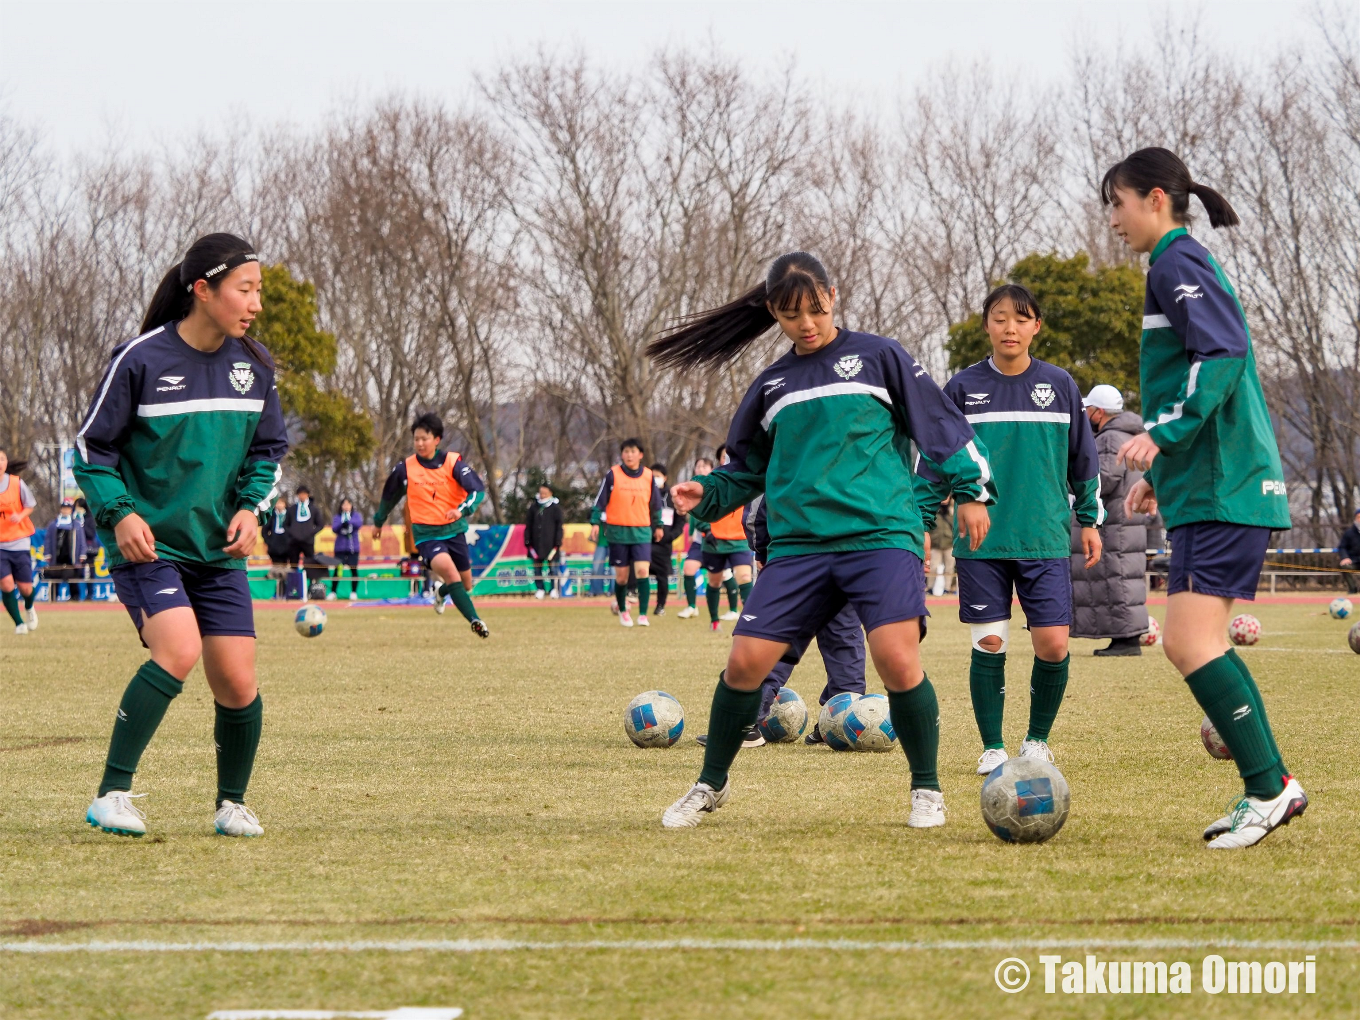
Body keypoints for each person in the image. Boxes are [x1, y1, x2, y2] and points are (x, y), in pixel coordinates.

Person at [649, 250, 994, 830]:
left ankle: (926, 789)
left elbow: (940, 423)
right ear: (774, 316)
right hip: (800, 547)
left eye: (813, 309)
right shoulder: (772, 385)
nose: (805, 323)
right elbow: (746, 469)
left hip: (880, 535)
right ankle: (711, 784)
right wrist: (706, 496)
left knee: (895, 658)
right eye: (789, 315)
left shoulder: (881, 357)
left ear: (832, 296)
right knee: (743, 663)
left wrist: (973, 490)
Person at [1104, 146, 1304, 848]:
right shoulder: (1176, 264)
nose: (1113, 220)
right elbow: (1200, 367)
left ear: (1155, 199)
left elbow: (1220, 353)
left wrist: (1163, 436)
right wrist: (1164, 474)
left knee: (1188, 642)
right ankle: (1270, 784)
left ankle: (1270, 787)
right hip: (1213, 486)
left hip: (1226, 488)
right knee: (1199, 641)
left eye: (1118, 204)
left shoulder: (1175, 261)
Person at [76, 232, 286, 839]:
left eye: (259, 291)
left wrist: (250, 509)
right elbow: (92, 450)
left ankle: (231, 805)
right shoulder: (139, 359)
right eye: (245, 290)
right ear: (203, 290)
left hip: (216, 551)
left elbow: (268, 451)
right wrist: (121, 513)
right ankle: (111, 794)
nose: (255, 304)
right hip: (149, 546)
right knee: (178, 650)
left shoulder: (256, 367)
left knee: (239, 680)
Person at [920, 284, 1103, 775]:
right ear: (987, 325)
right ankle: (993, 746)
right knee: (990, 643)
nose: (1010, 328)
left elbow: (1082, 459)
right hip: (982, 542)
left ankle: (1038, 739)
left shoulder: (1061, 385)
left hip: (1043, 536)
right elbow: (936, 462)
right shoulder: (961, 387)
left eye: (1021, 319)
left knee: (1054, 644)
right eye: (1000, 318)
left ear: (1036, 326)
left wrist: (1088, 519)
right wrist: (916, 525)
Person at [695, 495, 868, 749]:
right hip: (851, 549)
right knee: (843, 638)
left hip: (796, 554)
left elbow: (757, 502)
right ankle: (841, 723)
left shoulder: (782, 453)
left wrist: (762, 549)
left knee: (773, 636)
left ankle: (744, 724)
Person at [374, 412, 489, 638]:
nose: (419, 443)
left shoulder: (452, 462)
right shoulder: (405, 468)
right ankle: (475, 620)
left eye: (424, 438)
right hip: (427, 535)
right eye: (416, 439)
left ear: (437, 439)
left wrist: (462, 510)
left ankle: (440, 593)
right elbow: (389, 497)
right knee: (448, 571)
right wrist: (378, 522)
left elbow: (478, 490)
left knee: (465, 584)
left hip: (454, 531)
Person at [1069, 384, 1152, 656]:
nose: (1086, 414)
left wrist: (1070, 484)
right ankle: (1125, 637)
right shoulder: (1131, 435)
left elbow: (1102, 479)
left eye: (1089, 409)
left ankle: (1126, 639)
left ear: (1099, 412)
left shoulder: (1109, 438)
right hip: (1128, 521)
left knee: (1116, 577)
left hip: (1113, 522)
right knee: (1123, 576)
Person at [589, 438, 664, 627]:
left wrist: (659, 525)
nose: (629, 455)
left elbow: (656, 505)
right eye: (626, 451)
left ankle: (643, 615)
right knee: (622, 576)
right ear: (622, 454)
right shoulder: (613, 475)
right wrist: (595, 522)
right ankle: (623, 611)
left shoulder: (648, 476)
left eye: (633, 451)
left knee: (642, 571)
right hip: (618, 532)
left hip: (641, 531)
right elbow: (600, 501)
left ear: (640, 454)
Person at [701, 444, 749, 629]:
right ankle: (714, 620)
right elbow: (698, 509)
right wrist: (707, 529)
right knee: (715, 580)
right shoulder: (710, 480)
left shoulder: (748, 479)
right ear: (719, 459)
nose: (727, 459)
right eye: (724, 456)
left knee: (744, 576)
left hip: (739, 539)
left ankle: (749, 621)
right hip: (715, 540)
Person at [0, 449, 39, 634]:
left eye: (2, 458)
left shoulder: (16, 483)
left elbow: (30, 505)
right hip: (0, 545)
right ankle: (18, 623)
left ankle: (29, 607)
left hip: (19, 542)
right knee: (7, 584)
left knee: (25, 588)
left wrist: (20, 515)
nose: (0, 462)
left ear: (6, 461)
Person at [676, 456, 714, 619]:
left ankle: (734, 609)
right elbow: (693, 515)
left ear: (712, 469)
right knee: (688, 568)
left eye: (704, 467)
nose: (700, 469)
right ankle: (692, 606)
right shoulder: (692, 489)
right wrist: (691, 533)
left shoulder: (715, 488)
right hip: (700, 540)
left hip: (718, 539)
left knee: (723, 575)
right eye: (698, 466)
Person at [648, 464, 686, 615]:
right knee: (641, 572)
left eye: (658, 476)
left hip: (664, 544)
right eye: (652, 476)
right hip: (646, 541)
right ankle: (636, 603)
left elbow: (681, 520)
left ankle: (660, 606)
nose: (655, 479)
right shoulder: (646, 494)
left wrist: (670, 536)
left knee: (662, 576)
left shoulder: (673, 497)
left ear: (665, 477)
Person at [44, 498, 90, 600]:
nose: (65, 510)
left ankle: (74, 597)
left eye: (68, 508)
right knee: (54, 578)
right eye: (63, 508)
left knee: (72, 578)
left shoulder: (76, 524)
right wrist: (47, 554)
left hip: (71, 558)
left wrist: (82, 554)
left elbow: (82, 541)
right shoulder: (53, 524)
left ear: (71, 510)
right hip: (57, 557)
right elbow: (48, 540)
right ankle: (53, 598)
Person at [525, 483, 564, 600]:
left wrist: (557, 542)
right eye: (541, 493)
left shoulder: (556, 508)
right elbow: (528, 525)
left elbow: (559, 527)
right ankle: (540, 589)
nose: (542, 495)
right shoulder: (533, 507)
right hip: (536, 544)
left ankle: (553, 589)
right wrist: (527, 540)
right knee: (537, 568)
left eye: (545, 493)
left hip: (551, 544)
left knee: (553, 569)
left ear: (550, 494)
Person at [331, 497, 363, 601]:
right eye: (344, 504)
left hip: (353, 549)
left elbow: (359, 524)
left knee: (353, 570)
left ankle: (354, 592)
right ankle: (333, 592)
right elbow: (334, 528)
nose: (346, 506)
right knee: (337, 571)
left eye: (348, 504)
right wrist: (342, 524)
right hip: (340, 549)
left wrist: (349, 522)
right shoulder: (337, 517)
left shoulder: (355, 516)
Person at [263, 496, 292, 598]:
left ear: (285, 504)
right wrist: (269, 541)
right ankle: (277, 592)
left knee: (285, 571)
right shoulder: (272, 515)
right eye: (277, 503)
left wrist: (289, 540)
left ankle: (284, 592)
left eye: (281, 503)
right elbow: (265, 530)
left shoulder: (289, 514)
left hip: (286, 547)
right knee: (276, 570)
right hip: (274, 547)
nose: (279, 505)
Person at [74, 497, 100, 600]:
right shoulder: (74, 518)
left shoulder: (90, 518)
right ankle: (76, 595)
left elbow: (91, 534)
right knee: (77, 573)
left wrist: (82, 525)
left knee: (90, 573)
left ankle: (89, 595)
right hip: (77, 550)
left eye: (78, 507)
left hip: (89, 550)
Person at [928, 497, 955, 597]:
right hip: (935, 544)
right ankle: (929, 588)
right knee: (932, 567)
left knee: (949, 568)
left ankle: (947, 589)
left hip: (949, 543)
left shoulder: (952, 511)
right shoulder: (933, 511)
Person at [1337, 508, 1360, 596]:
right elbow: (1342, 547)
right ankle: (1352, 589)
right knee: (1345, 566)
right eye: (1359, 517)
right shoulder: (1349, 533)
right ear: (1355, 519)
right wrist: (1345, 557)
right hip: (1353, 561)